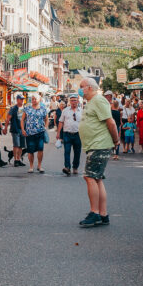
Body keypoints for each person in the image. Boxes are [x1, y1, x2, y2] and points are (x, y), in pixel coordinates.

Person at [78, 78, 118, 227]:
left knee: (89, 177)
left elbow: (111, 122)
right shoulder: (92, 102)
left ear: (89, 87)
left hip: (99, 144)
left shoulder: (99, 100)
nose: (79, 89)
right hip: (95, 145)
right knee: (97, 178)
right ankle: (103, 214)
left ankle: (94, 212)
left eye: (81, 86)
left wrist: (116, 140)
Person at [21, 93, 48, 173]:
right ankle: (31, 166)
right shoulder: (27, 108)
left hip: (40, 132)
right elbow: (22, 119)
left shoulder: (43, 108)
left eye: (35, 99)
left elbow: (46, 119)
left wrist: (45, 127)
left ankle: (39, 165)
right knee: (30, 150)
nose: (33, 100)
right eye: (32, 99)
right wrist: (23, 129)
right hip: (30, 133)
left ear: (39, 100)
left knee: (40, 149)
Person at [59, 94, 82, 175]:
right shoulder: (65, 110)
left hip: (78, 134)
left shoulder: (82, 111)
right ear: (69, 101)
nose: (73, 102)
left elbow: (85, 123)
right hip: (67, 134)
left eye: (75, 100)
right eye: (71, 100)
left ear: (78, 101)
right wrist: (58, 133)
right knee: (67, 151)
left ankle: (75, 167)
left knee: (77, 152)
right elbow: (61, 122)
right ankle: (67, 167)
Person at [6, 94, 25, 167]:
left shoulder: (25, 108)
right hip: (15, 129)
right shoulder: (13, 108)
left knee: (21, 146)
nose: (22, 100)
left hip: (23, 129)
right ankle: (15, 160)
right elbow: (8, 118)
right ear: (17, 100)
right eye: (21, 99)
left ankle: (19, 159)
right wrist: (5, 128)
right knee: (16, 145)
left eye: (23, 99)